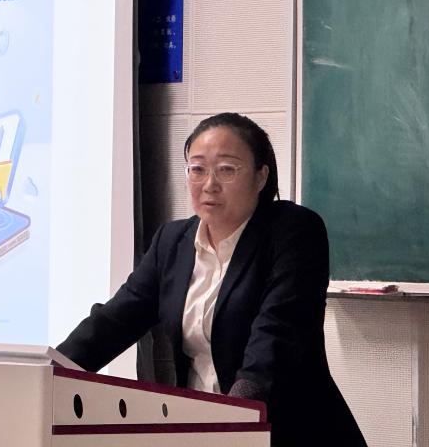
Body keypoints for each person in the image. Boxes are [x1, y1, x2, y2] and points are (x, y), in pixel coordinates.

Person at [57, 113, 366, 446]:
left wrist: (233, 421)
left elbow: (276, 337)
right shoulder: (172, 242)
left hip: (287, 431)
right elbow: (114, 321)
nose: (209, 184)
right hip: (203, 430)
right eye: (197, 169)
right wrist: (52, 372)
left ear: (261, 177)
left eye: (227, 169)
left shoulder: (293, 231)